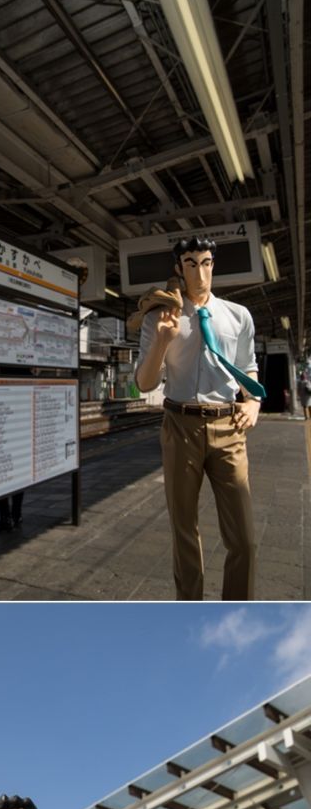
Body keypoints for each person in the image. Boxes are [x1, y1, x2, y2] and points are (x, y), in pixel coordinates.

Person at [135, 234, 265, 599]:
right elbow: (145, 384)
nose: (200, 272)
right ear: (179, 268)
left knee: (244, 538)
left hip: (228, 426)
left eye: (206, 262)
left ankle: (238, 606)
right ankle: (189, 608)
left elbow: (248, 369)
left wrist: (253, 403)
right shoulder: (159, 317)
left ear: (213, 265)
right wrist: (162, 339)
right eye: (191, 264)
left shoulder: (238, 316)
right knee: (184, 531)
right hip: (180, 425)